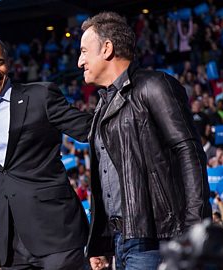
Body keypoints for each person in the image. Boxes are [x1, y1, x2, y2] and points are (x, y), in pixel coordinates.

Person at [77, 12, 211, 270]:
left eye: (84, 51)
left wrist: (195, 228)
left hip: (157, 239)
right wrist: (102, 244)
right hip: (122, 240)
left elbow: (189, 153)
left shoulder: (154, 85)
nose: (80, 61)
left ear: (107, 49)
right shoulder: (103, 105)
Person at [0, 35, 92, 270]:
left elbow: (90, 129)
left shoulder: (40, 96)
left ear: (8, 64)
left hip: (57, 231)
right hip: (11, 240)